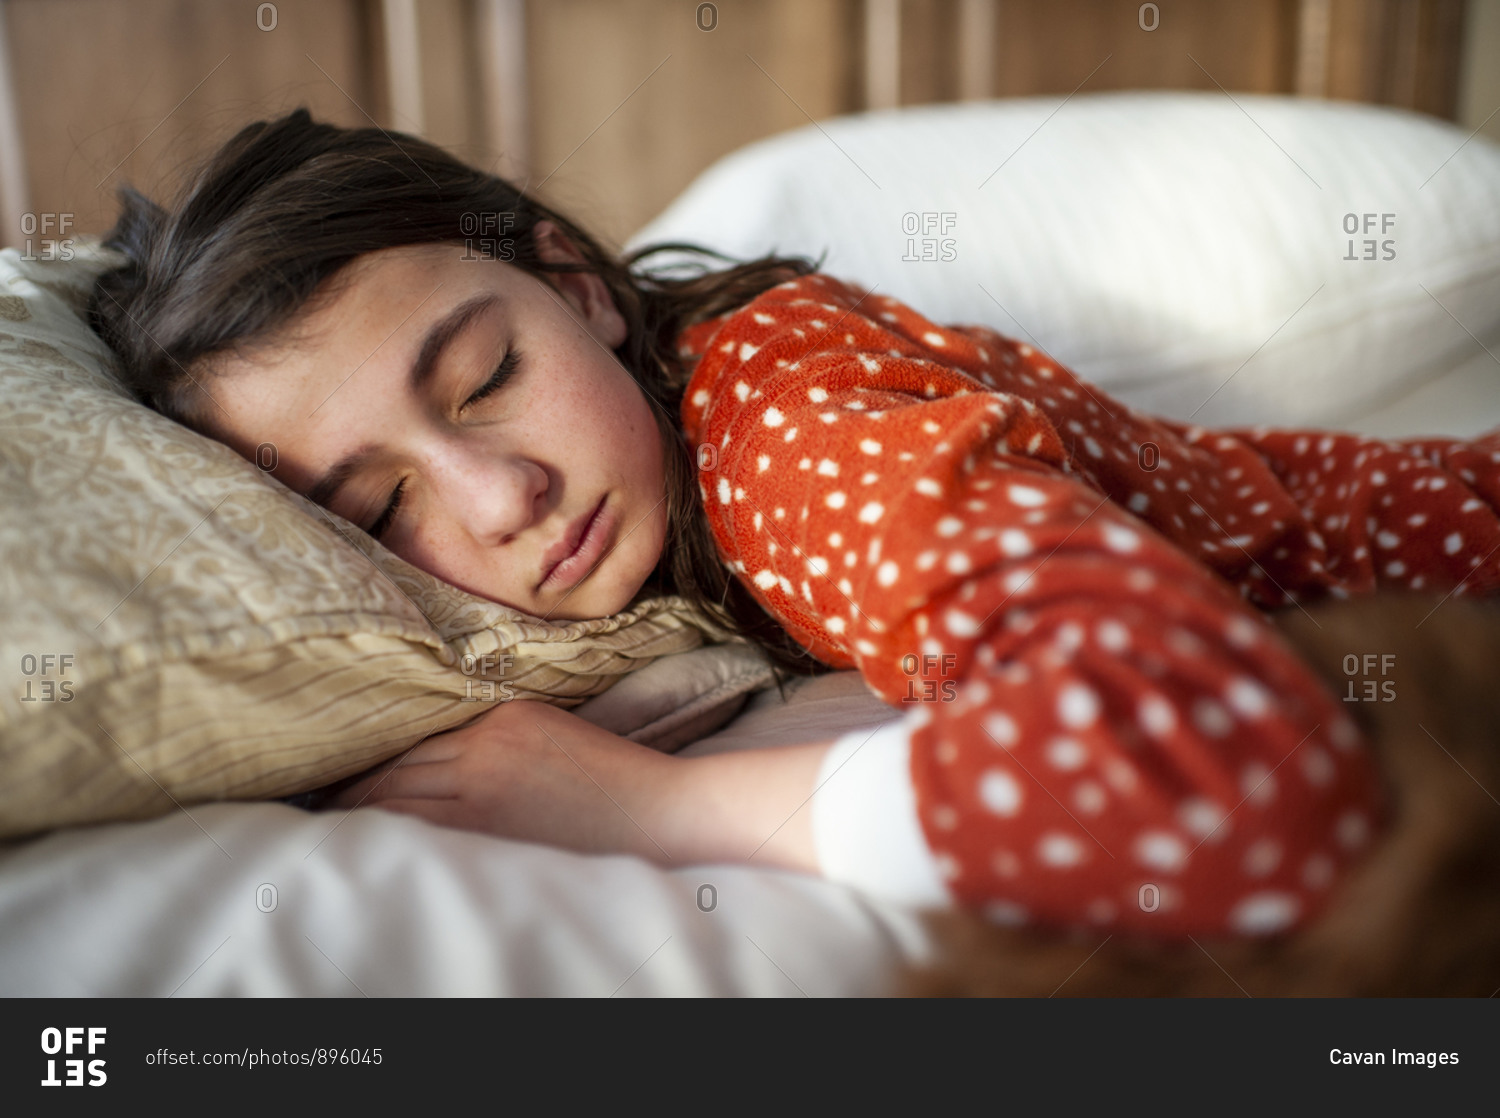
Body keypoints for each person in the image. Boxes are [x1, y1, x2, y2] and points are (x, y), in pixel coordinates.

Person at [87, 109, 1500, 956]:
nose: (499, 496)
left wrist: (656, 811)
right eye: (382, 507)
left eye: (487, 378)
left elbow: (1231, 771)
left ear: (577, 284)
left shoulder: (784, 428)